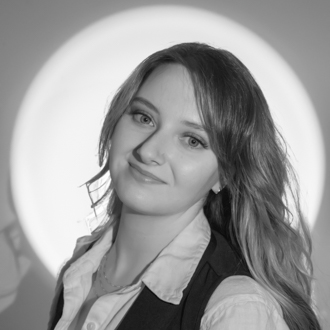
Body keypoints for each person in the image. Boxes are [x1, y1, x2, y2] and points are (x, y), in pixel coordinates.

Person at [48, 42, 321, 330]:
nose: (149, 151)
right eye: (144, 118)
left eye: (192, 140)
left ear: (224, 174)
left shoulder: (235, 309)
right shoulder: (81, 266)